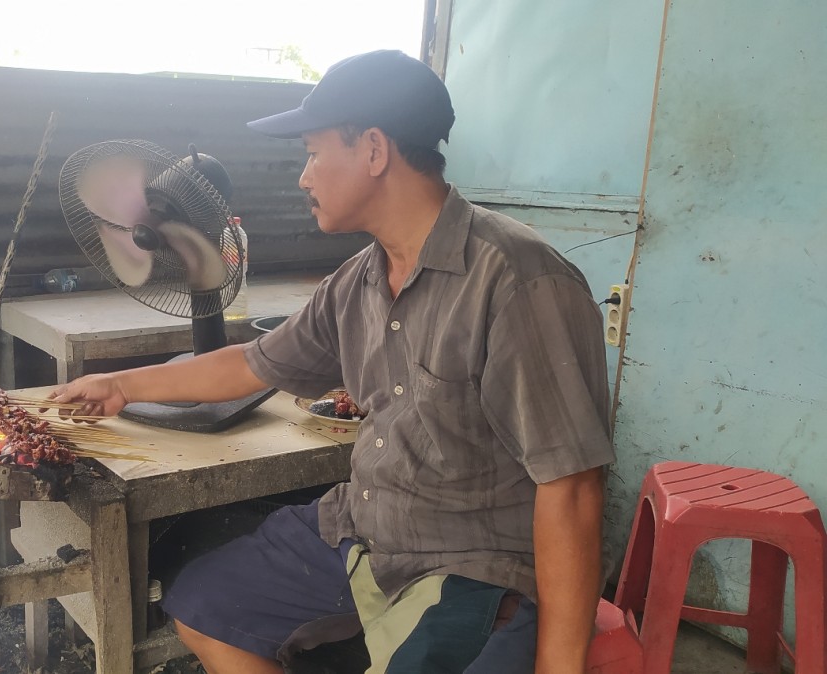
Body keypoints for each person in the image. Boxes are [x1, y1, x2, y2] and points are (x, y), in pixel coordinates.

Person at [48, 49, 615, 674]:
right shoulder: (357, 282)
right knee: (202, 604)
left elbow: (572, 488)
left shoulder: (518, 281)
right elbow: (251, 364)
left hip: (475, 562)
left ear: (373, 150)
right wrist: (121, 384)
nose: (304, 177)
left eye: (314, 153)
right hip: (366, 529)